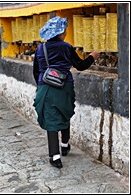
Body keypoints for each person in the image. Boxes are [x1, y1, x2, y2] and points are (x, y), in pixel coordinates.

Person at [33, 16, 100, 169]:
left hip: (45, 87)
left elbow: (36, 71)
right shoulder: (66, 47)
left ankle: (55, 156)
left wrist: (42, 87)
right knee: (64, 113)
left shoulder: (40, 48)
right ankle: (65, 145)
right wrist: (92, 57)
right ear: (61, 32)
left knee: (51, 118)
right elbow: (81, 66)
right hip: (64, 87)